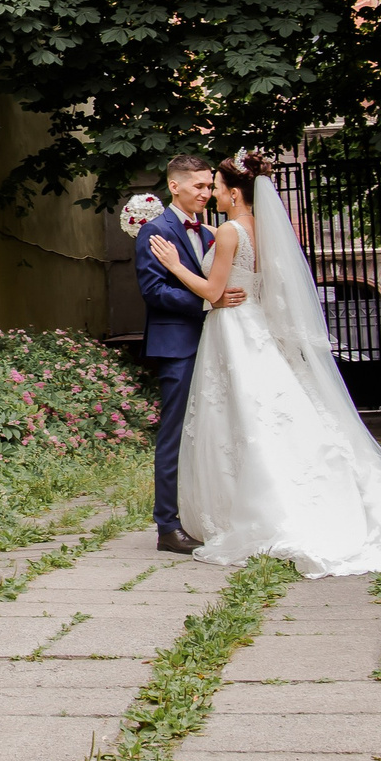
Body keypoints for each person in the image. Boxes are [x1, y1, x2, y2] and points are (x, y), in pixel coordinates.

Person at [146, 153, 381, 578]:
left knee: (241, 418)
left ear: (234, 191)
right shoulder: (257, 229)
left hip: (234, 329)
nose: (213, 194)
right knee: (267, 416)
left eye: (217, 188)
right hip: (254, 327)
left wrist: (174, 265)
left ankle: (248, 506)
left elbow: (214, 289)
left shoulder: (226, 231)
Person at [133, 155, 244, 555]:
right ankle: (167, 527)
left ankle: (210, 513)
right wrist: (207, 303)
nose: (205, 193)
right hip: (178, 344)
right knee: (176, 435)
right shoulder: (154, 232)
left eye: (207, 184)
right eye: (197, 186)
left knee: (216, 431)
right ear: (174, 186)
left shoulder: (214, 232)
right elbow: (154, 292)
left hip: (220, 342)